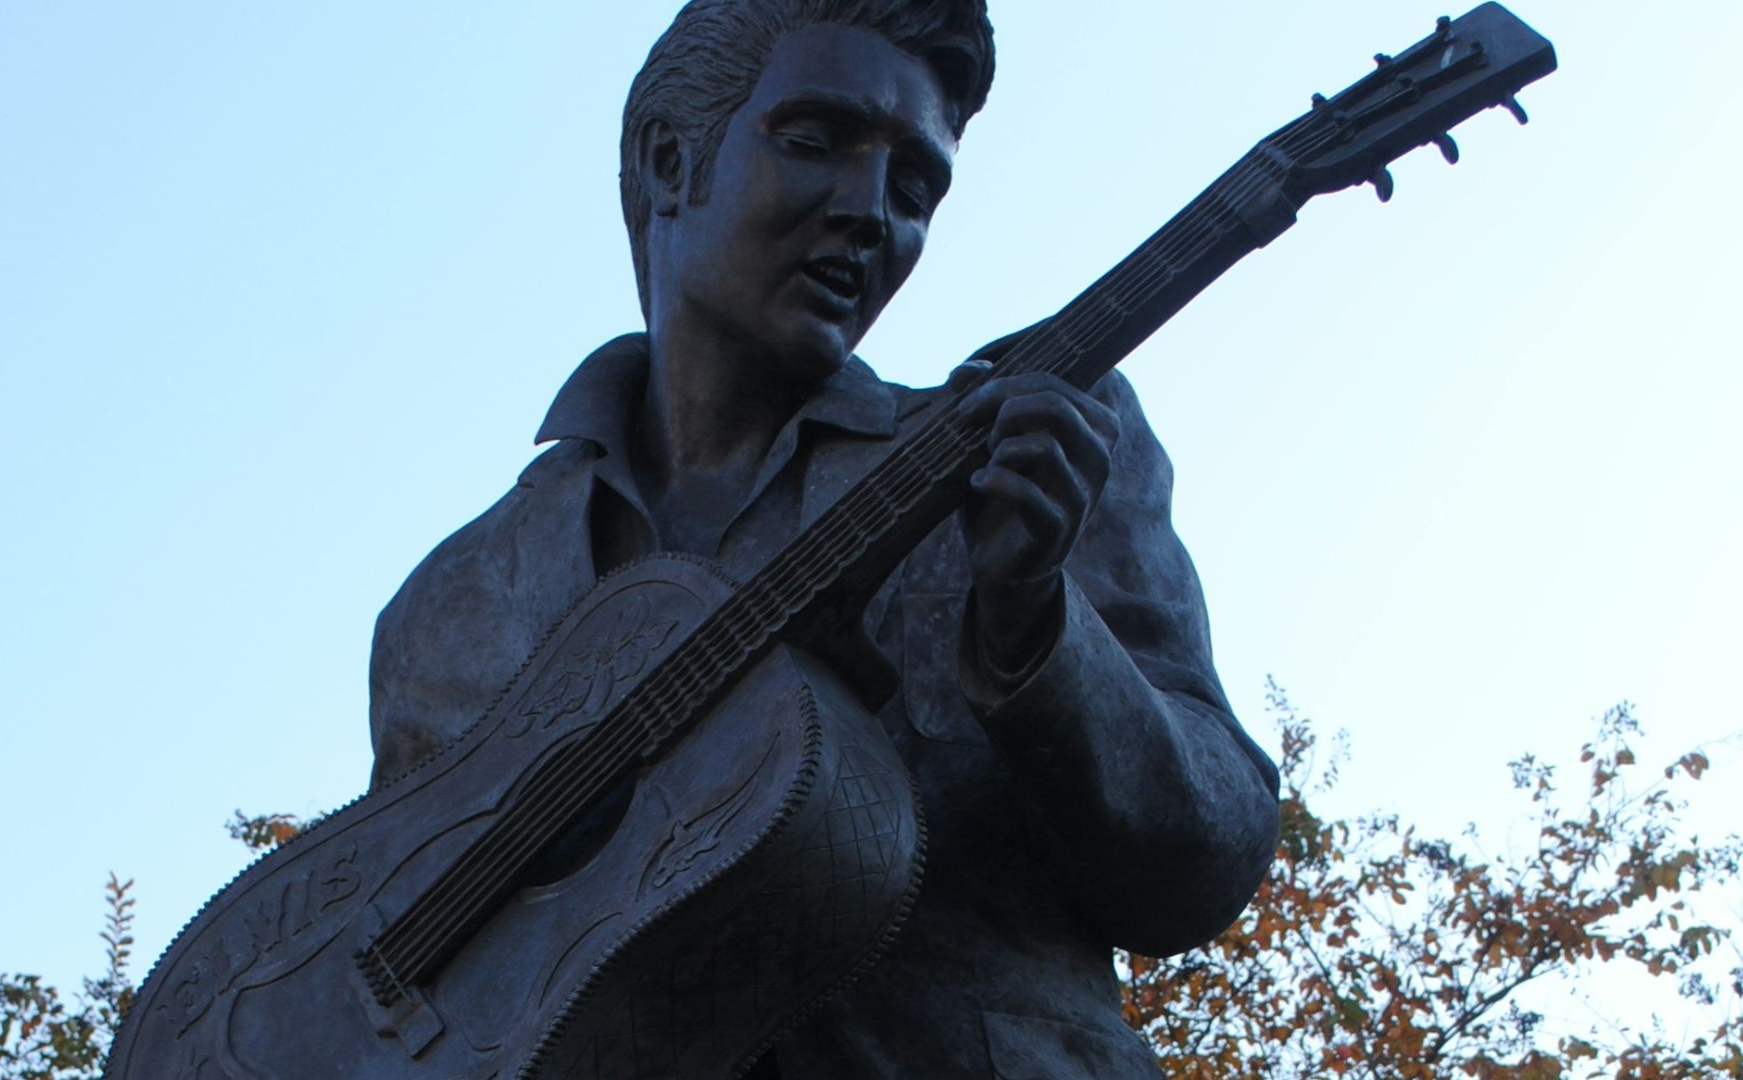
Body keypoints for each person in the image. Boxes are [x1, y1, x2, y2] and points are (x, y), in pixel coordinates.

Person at [367, 1, 1280, 1075]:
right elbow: (395, 1000)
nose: (871, 213)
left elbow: (1200, 865)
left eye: (915, 187)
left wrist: (1037, 636)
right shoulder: (457, 606)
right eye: (816, 141)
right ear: (672, 162)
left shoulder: (1023, 451)